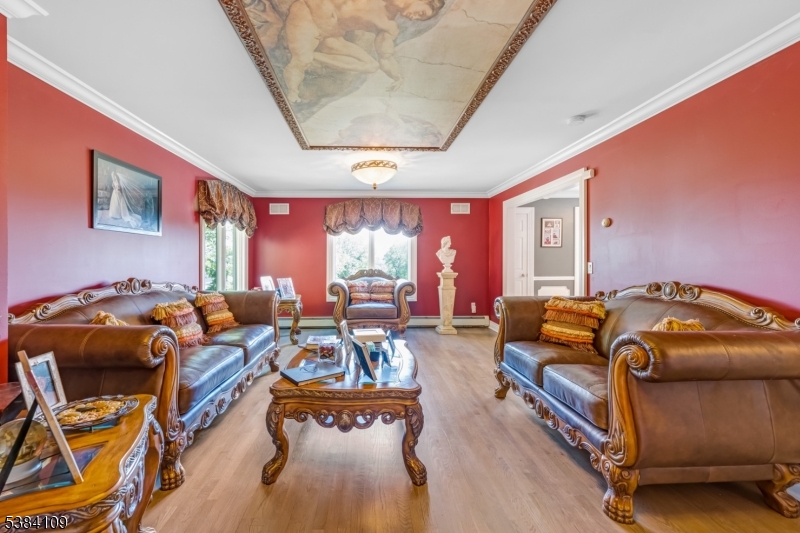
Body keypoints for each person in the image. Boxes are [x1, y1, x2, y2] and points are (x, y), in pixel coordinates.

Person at [282, 0, 445, 102]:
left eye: (420, 19)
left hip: (332, 36)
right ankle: (293, 91)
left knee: (371, 66)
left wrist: (397, 77)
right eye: (421, 13)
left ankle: (315, 56)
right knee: (301, 60)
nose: (414, 18)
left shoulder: (388, 26)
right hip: (308, 14)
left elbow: (385, 57)